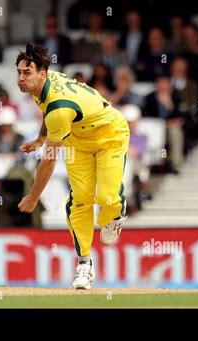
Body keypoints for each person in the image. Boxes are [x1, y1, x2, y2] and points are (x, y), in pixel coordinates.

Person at [16, 43, 130, 289]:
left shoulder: (58, 105)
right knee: (80, 200)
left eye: (26, 73)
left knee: (106, 197)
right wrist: (40, 138)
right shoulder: (41, 87)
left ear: (42, 74)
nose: (20, 79)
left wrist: (33, 197)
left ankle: (117, 211)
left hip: (110, 134)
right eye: (19, 72)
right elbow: (50, 112)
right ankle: (84, 265)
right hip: (79, 142)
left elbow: (49, 159)